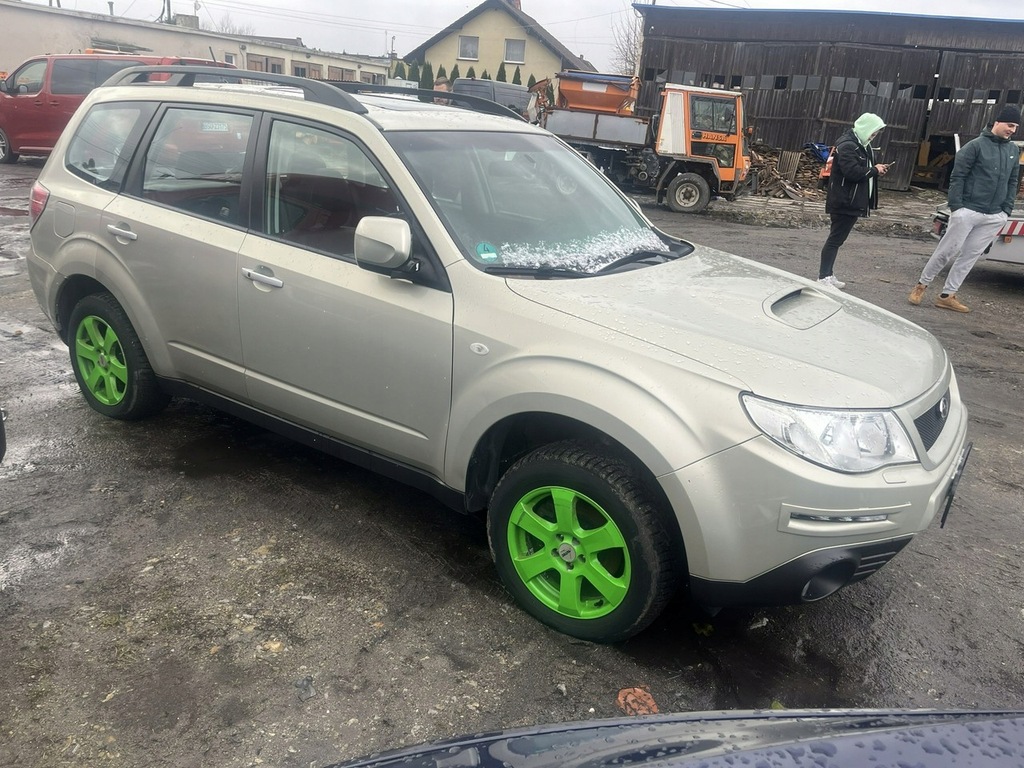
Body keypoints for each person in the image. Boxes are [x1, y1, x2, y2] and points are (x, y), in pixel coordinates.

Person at [908, 105, 1021, 313]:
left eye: (1016, 126)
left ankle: (947, 295)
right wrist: (957, 207)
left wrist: (1005, 210)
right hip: (968, 210)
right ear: (997, 122)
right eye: (1010, 125)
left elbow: (1013, 181)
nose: (1013, 130)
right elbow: (957, 177)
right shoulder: (975, 146)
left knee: (970, 256)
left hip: (994, 214)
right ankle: (921, 286)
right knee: (946, 251)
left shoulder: (1013, 151)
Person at [817, 113, 890, 289]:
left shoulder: (860, 144)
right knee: (835, 239)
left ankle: (828, 274)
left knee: (837, 239)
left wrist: (875, 170)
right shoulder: (849, 146)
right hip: (844, 200)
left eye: (876, 134)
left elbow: (860, 169)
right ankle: (823, 277)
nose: (873, 137)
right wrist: (874, 170)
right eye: (872, 133)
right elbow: (852, 172)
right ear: (865, 129)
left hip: (851, 199)